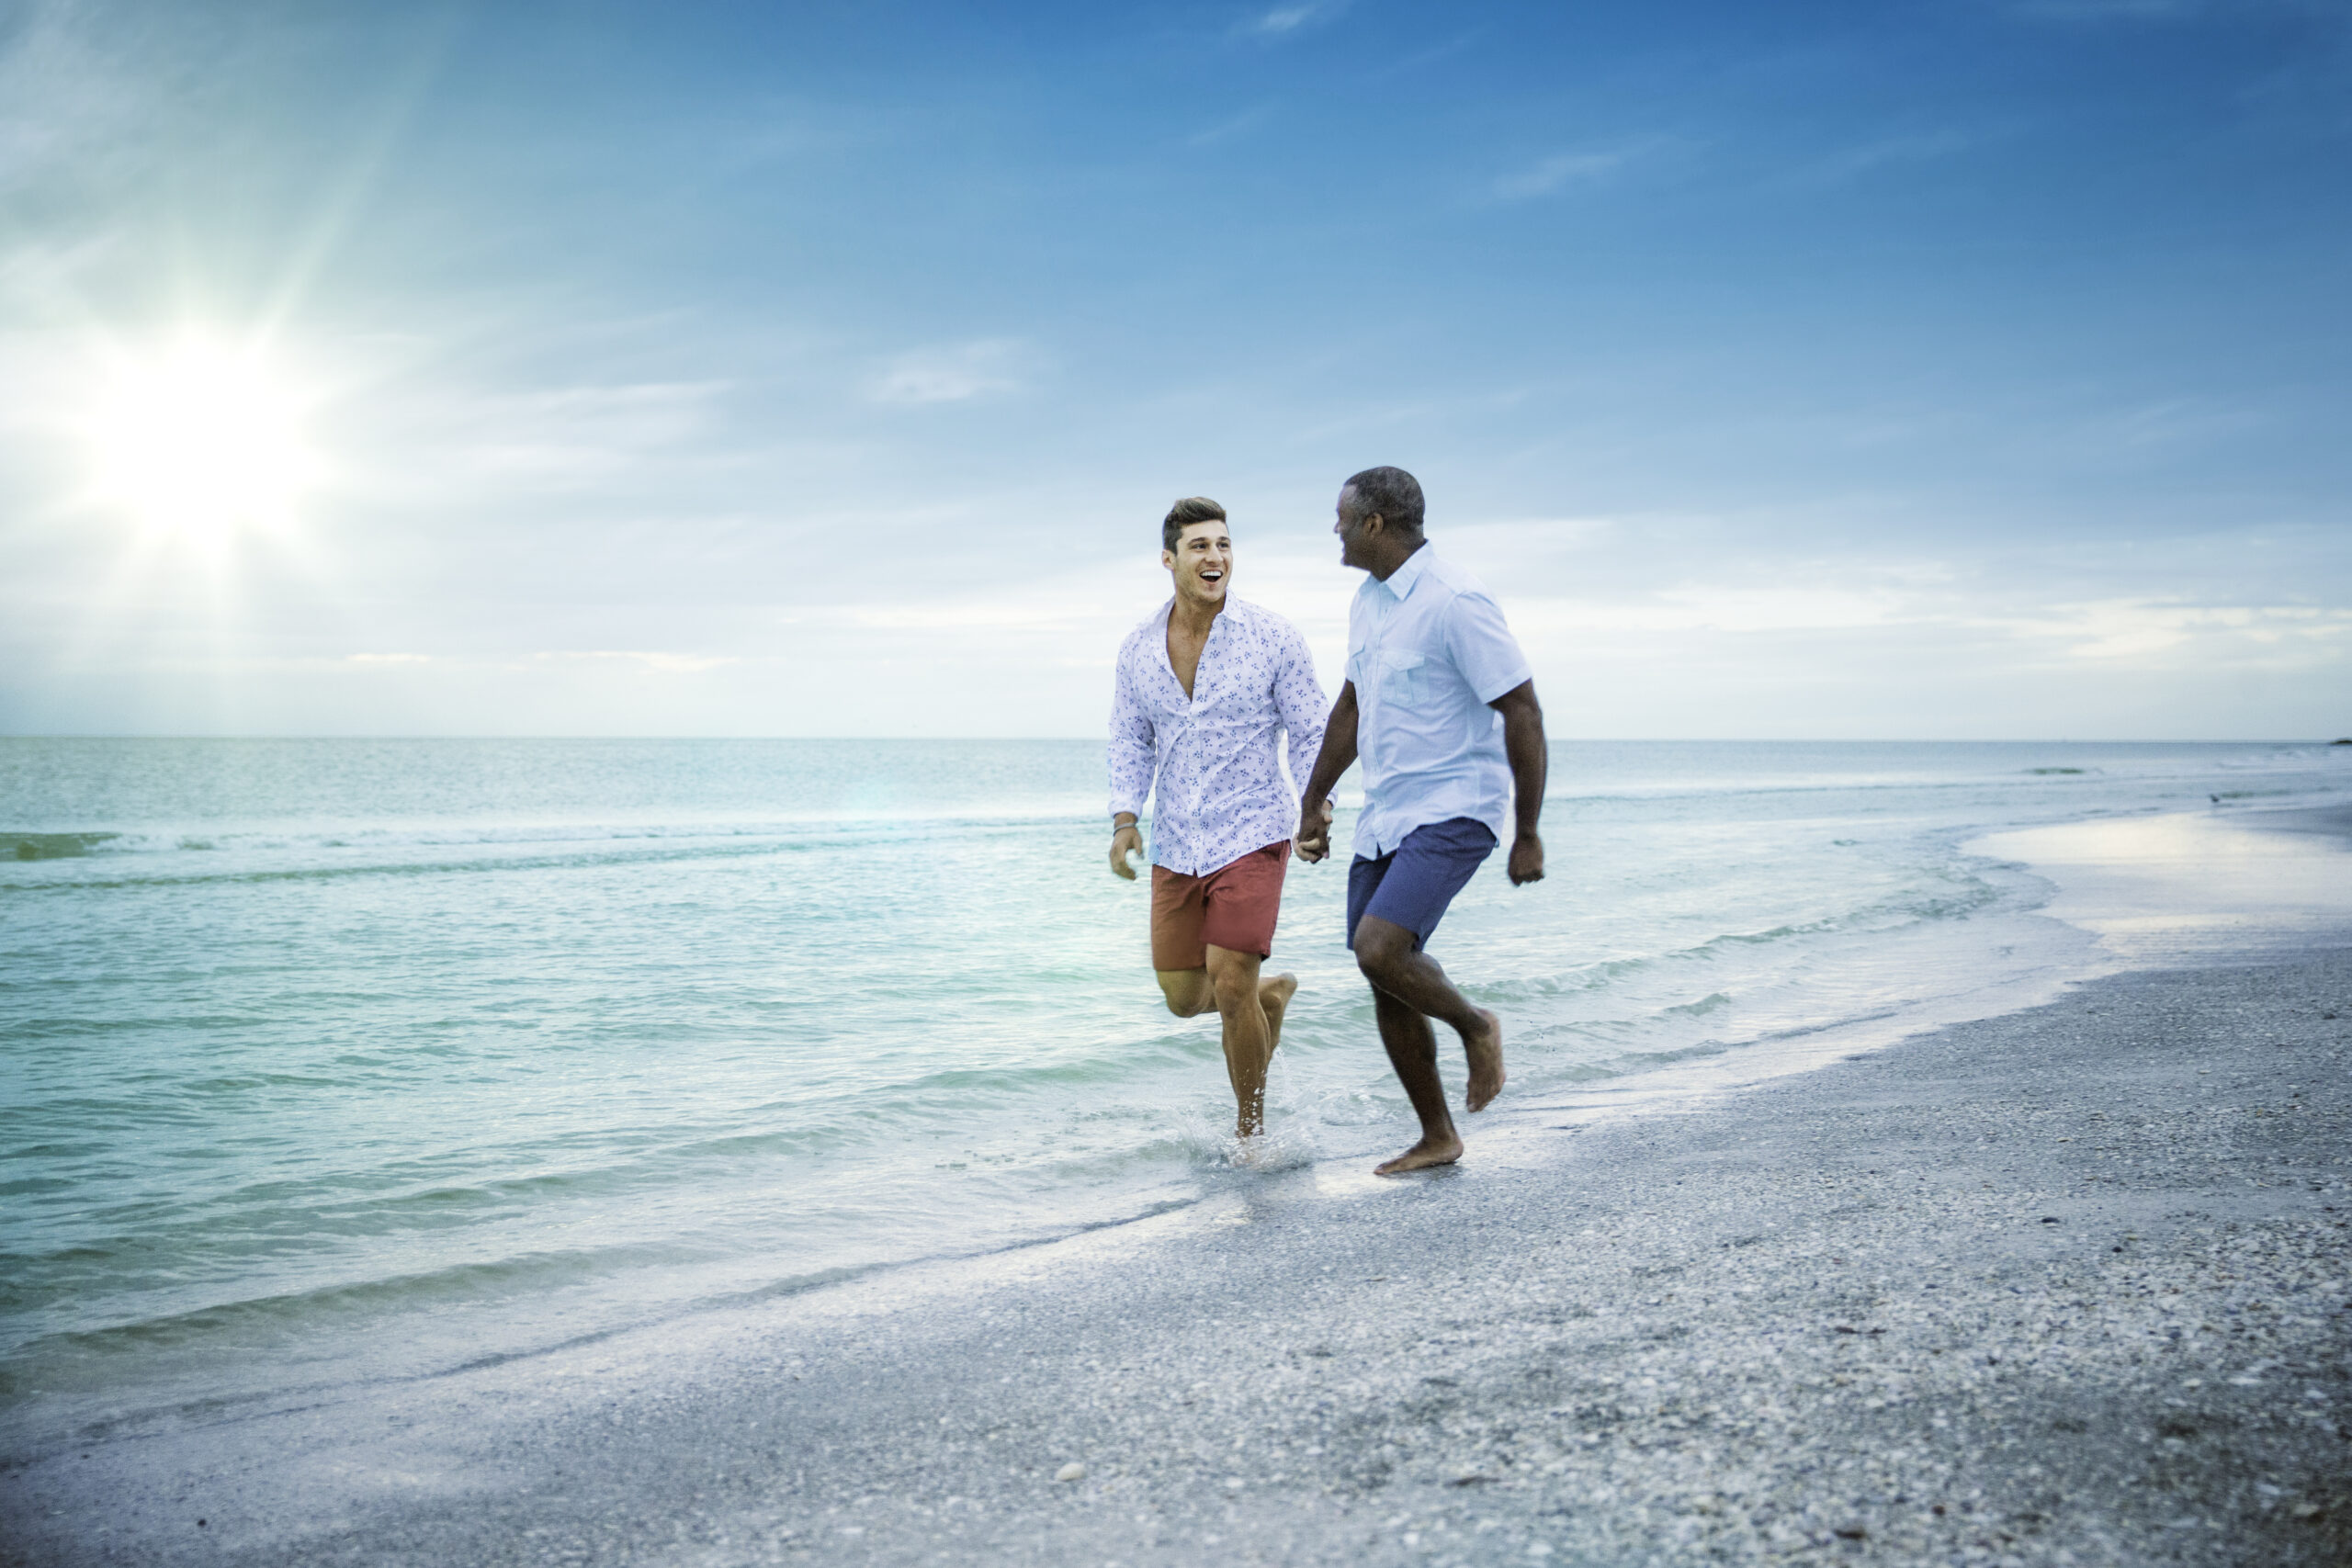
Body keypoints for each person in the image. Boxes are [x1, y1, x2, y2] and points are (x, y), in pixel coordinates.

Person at [1294, 466, 1548, 1175]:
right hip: (1386, 813)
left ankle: (1477, 1025)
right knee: (1383, 973)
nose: (1335, 529)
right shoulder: (1367, 602)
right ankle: (1438, 1135)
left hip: (1454, 806)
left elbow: (1521, 708)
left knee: (1380, 947)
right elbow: (1350, 705)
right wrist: (1313, 798)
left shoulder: (1455, 601)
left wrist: (1527, 830)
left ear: (1374, 523)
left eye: (1341, 517)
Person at [1109, 496, 1328, 1141]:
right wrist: (1125, 818)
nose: (1216, 558)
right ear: (1169, 559)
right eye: (1200, 546)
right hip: (1178, 841)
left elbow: (1311, 727)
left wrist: (1318, 809)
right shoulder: (1138, 651)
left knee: (1230, 982)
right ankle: (1271, 996)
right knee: (1182, 997)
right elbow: (1130, 738)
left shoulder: (1273, 636)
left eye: (1224, 545)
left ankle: (1250, 1135)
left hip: (1255, 831)